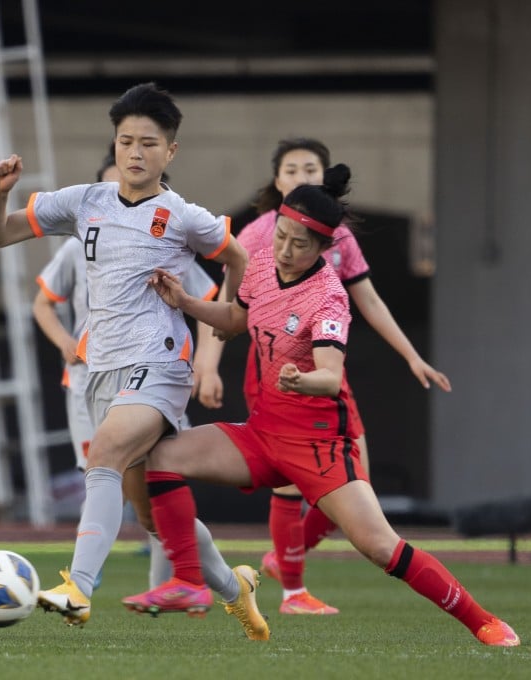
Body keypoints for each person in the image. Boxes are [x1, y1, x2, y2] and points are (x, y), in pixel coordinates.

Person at [124, 166, 519, 647]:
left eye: (299, 244)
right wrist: (185, 300)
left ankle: (483, 621)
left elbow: (331, 379)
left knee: (379, 546)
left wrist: (302, 379)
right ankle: (189, 583)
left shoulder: (330, 298)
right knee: (159, 458)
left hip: (317, 446)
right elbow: (232, 319)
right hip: (262, 433)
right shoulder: (262, 265)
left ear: (324, 248)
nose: (285, 251)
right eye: (282, 237)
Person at [0, 82, 268, 640]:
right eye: (125, 141)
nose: (135, 153)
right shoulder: (85, 201)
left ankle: (78, 589)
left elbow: (238, 255)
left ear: (171, 152)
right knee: (150, 513)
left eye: (148, 143)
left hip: (159, 365)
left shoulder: (182, 215)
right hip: (100, 372)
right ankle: (238, 590)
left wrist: (232, 316)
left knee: (106, 453)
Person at [196, 137, 452, 615]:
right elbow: (227, 307)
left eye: (311, 169)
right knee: (291, 479)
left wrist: (412, 356)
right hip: (277, 369)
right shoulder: (257, 235)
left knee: (358, 486)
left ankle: (283, 560)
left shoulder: (336, 238)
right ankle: (293, 590)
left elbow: (369, 301)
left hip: (326, 371)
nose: (301, 177)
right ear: (277, 181)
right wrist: (206, 365)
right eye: (291, 169)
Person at [32, 147, 220, 588]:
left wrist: (207, 367)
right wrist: (64, 343)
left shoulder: (168, 235)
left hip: (152, 371)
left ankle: (89, 583)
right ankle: (228, 585)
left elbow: (212, 302)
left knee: (145, 484)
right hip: (89, 379)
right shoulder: (80, 240)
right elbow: (42, 301)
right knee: (122, 489)